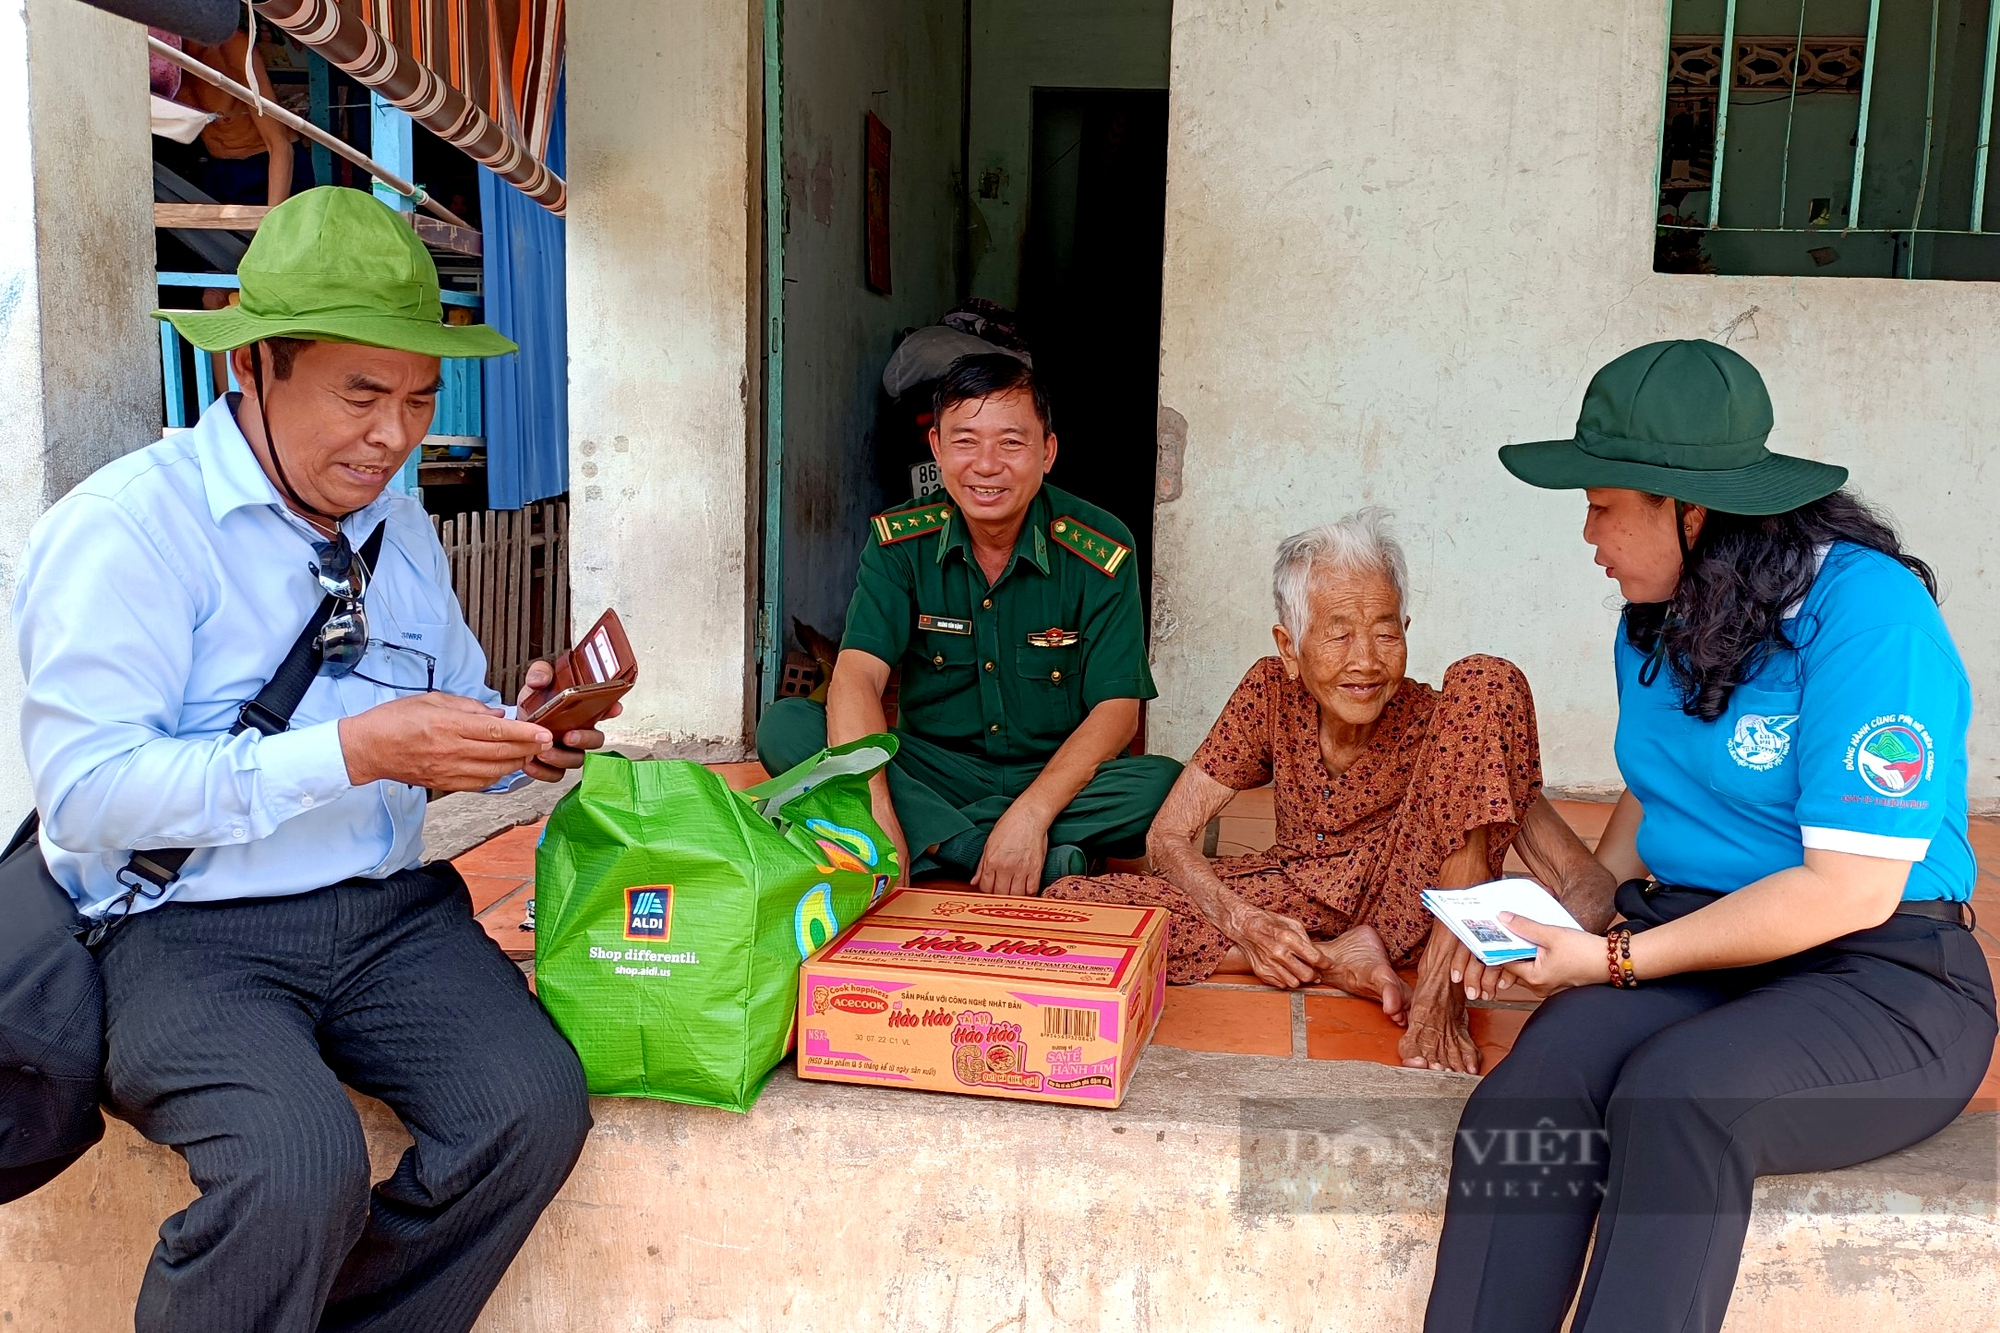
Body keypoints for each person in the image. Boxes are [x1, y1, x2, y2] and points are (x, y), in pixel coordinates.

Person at [13, 188, 602, 1333]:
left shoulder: (398, 518)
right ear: (255, 366)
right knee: (295, 1163)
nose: (392, 437)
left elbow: (431, 702)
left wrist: (510, 731)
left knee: (529, 1108)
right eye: (361, 394)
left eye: (420, 401)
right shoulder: (130, 528)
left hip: (387, 915)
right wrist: (350, 751)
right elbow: (85, 798)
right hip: (182, 930)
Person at [1424, 340, 1994, 1333]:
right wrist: (1574, 912)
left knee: (1677, 1099)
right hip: (1698, 941)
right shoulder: (1654, 618)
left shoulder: (1869, 618)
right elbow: (1668, 784)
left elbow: (1847, 890)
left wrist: (1609, 958)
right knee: (1523, 1104)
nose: (1587, 533)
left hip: (1884, 974)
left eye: (1603, 505)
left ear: (1690, 510)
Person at [1046, 510, 1611, 1072]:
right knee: (1079, 906)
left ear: (1406, 633)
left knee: (1486, 677)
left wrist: (1530, 950)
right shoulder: (1270, 692)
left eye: (1386, 632)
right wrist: (1245, 922)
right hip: (1293, 900)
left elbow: (1589, 884)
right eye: (1338, 634)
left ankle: (1440, 983)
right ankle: (1335, 961)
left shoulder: (1456, 729)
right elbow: (1168, 835)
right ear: (1289, 646)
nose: (1365, 660)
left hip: (1418, 917)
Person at [757, 353, 1181, 896]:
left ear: (1047, 452)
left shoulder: (1100, 549)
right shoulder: (900, 545)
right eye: (965, 441)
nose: (986, 465)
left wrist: (1030, 813)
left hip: (1053, 777)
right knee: (788, 728)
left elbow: (1119, 713)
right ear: (936, 448)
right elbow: (857, 676)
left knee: (1163, 787)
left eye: (1010, 442)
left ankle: (949, 845)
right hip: (931, 771)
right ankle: (994, 855)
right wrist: (879, 806)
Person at [176, 17, 309, 204]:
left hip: (267, 166)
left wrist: (272, 222)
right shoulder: (162, 58)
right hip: (219, 169)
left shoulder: (232, 47)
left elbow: (280, 144)